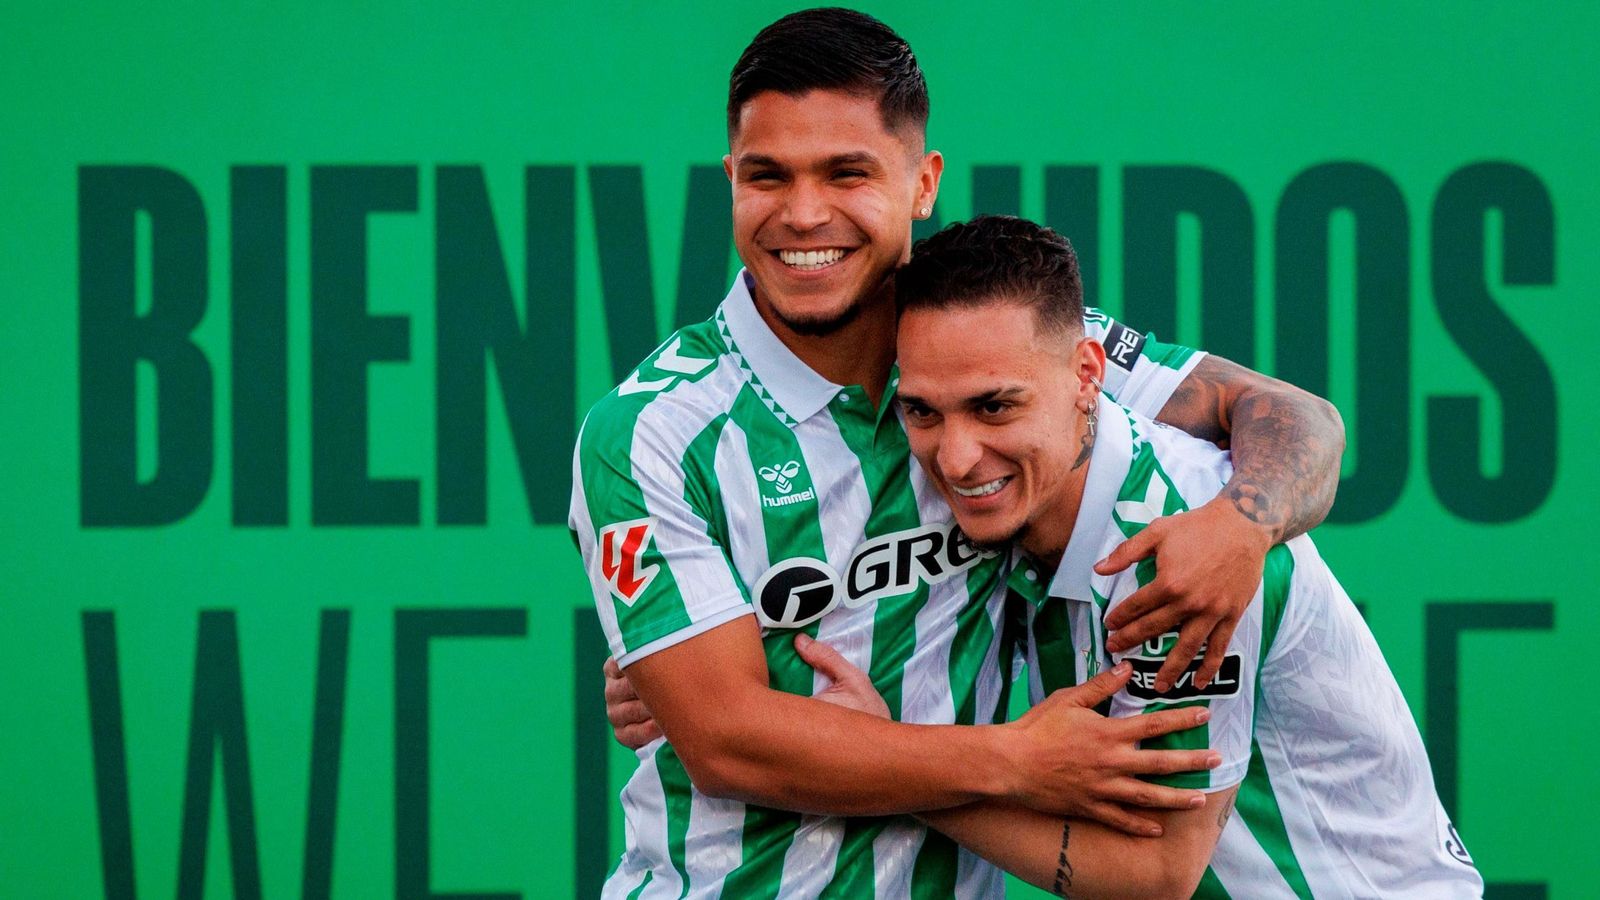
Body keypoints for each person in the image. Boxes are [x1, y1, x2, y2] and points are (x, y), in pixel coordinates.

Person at [573, 9, 1345, 897]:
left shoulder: (1003, 358)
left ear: (922, 182)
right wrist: (1013, 758)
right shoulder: (650, 431)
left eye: (847, 172)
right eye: (767, 176)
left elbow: (1297, 418)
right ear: (730, 181)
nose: (804, 213)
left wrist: (1242, 525)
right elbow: (725, 741)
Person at [846, 214, 1478, 897]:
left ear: (1087, 375)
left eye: (995, 408)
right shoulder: (1041, 388)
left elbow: (1155, 875)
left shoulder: (1168, 555)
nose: (958, 458)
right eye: (922, 413)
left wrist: (895, 769)